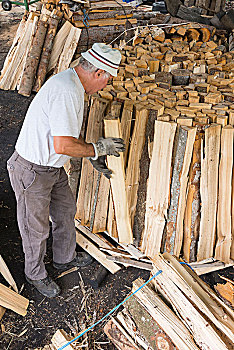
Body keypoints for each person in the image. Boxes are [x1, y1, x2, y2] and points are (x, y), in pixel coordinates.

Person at [7, 43, 124, 298]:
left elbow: (65, 135)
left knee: (65, 211)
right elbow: (63, 144)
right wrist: (95, 149)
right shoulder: (67, 90)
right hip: (32, 170)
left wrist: (91, 154)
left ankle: (64, 258)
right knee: (34, 227)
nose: (105, 86)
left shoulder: (72, 84)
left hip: (52, 166)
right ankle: (35, 273)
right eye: (107, 80)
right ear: (98, 73)